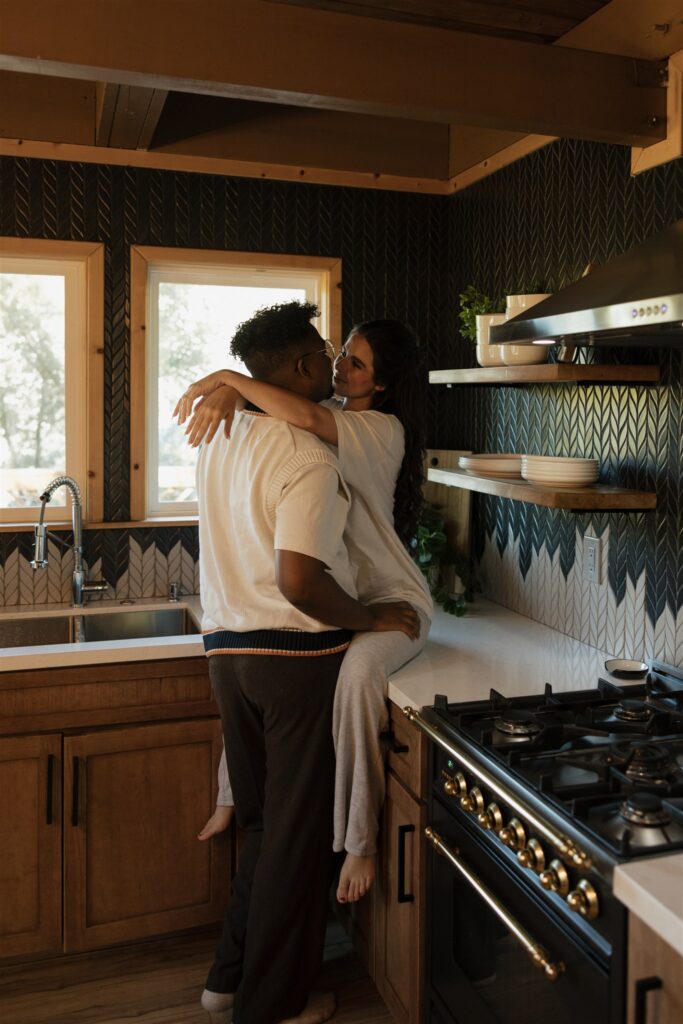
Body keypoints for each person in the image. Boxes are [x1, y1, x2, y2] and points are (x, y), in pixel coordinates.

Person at [191, 301, 419, 1024]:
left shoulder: (229, 429)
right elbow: (301, 582)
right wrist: (368, 618)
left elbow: (300, 409)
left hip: (227, 652)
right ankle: (273, 1004)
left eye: (349, 358)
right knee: (292, 839)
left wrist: (232, 381)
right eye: (328, 355)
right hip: (293, 652)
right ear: (299, 369)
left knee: (264, 828)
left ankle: (226, 981)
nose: (334, 364)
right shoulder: (305, 451)